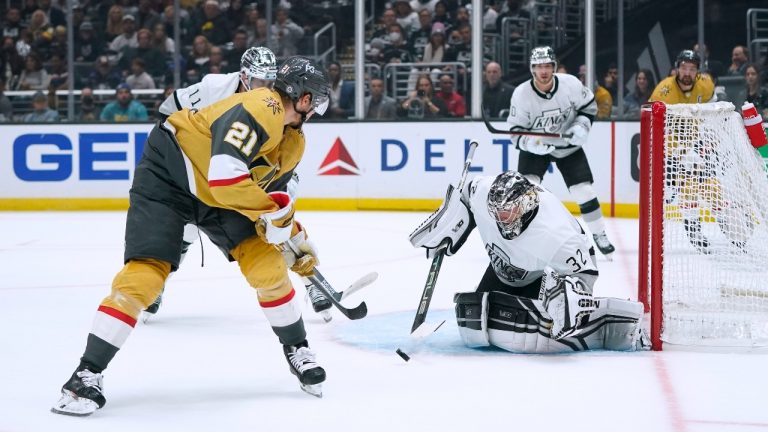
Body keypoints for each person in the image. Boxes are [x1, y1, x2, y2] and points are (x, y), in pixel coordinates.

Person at [51, 56, 332, 417]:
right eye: (318, 101)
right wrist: (278, 218)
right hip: (169, 177)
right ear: (306, 99)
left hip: (221, 196)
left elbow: (265, 198)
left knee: (268, 268)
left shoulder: (293, 142)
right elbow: (227, 177)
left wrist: (292, 238)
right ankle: (86, 373)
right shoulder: (262, 105)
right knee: (144, 276)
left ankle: (298, 349)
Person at [409, 171, 648, 353]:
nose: (499, 219)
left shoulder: (557, 234)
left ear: (525, 205)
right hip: (505, 266)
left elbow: (585, 274)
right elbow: (463, 196)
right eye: (495, 212)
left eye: (506, 213)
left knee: (541, 329)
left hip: (540, 272)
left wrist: (570, 297)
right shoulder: (482, 192)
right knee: (477, 326)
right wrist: (451, 224)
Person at [507, 47, 616, 259]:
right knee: (527, 191)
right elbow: (515, 132)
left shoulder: (570, 84)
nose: (544, 71)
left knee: (583, 191)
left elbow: (588, 107)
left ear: (554, 67)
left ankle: (599, 233)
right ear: (532, 69)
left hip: (568, 144)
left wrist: (582, 127)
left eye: (547, 66)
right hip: (536, 147)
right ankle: (522, 238)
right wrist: (530, 144)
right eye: (539, 67)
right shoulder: (521, 94)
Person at [650, 49, 715, 104]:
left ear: (698, 71)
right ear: (677, 69)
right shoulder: (663, 92)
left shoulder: (706, 84)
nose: (687, 73)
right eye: (683, 68)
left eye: (692, 69)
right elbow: (651, 116)